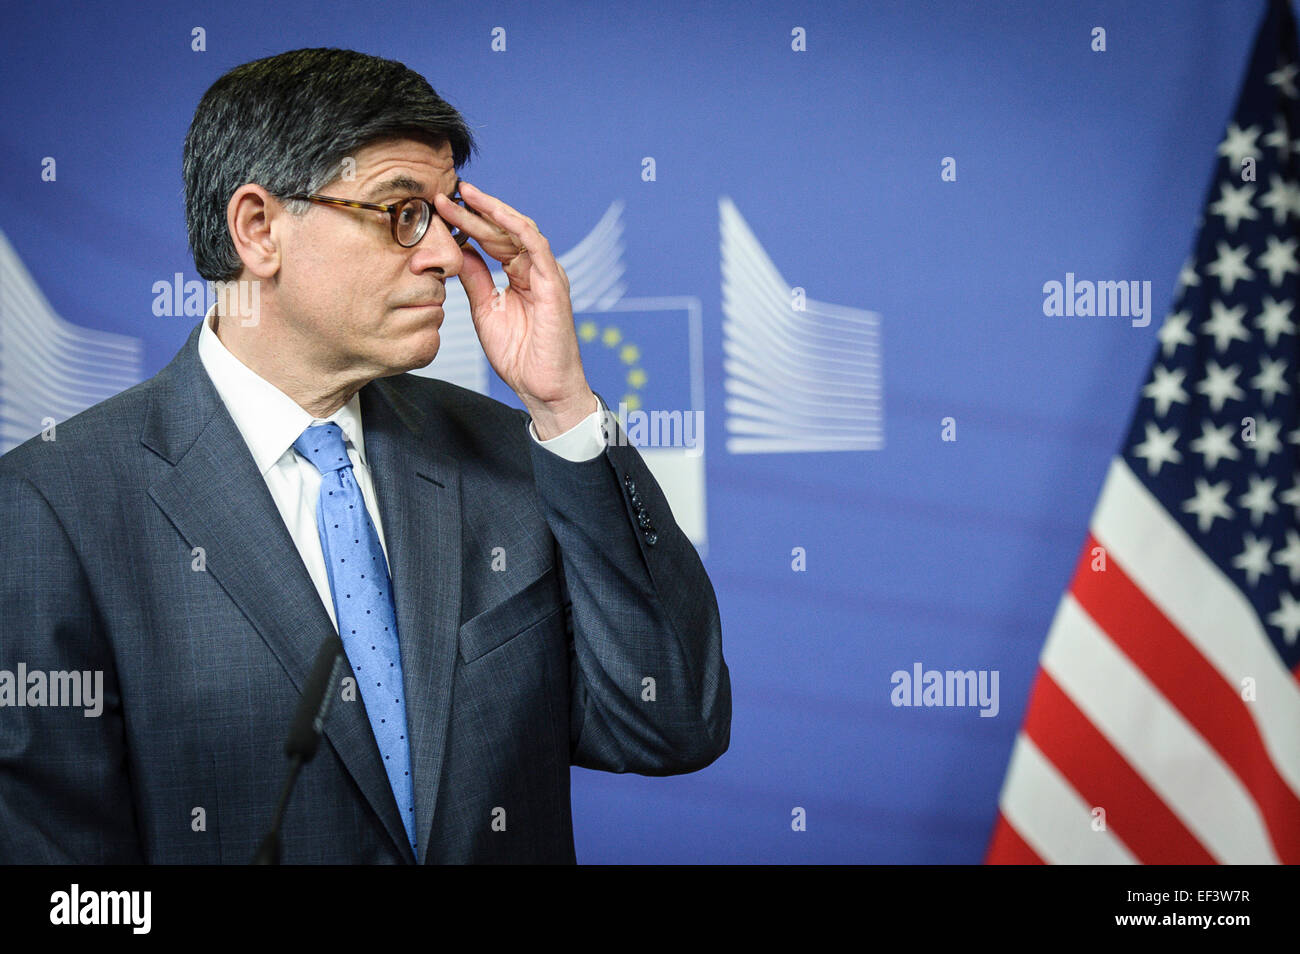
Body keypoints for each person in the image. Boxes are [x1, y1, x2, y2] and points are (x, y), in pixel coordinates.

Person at [0, 47, 730, 864]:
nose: (448, 258)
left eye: (446, 217)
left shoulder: (510, 453)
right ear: (258, 229)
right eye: (399, 212)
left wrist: (563, 407)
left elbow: (674, 723)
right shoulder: (51, 507)